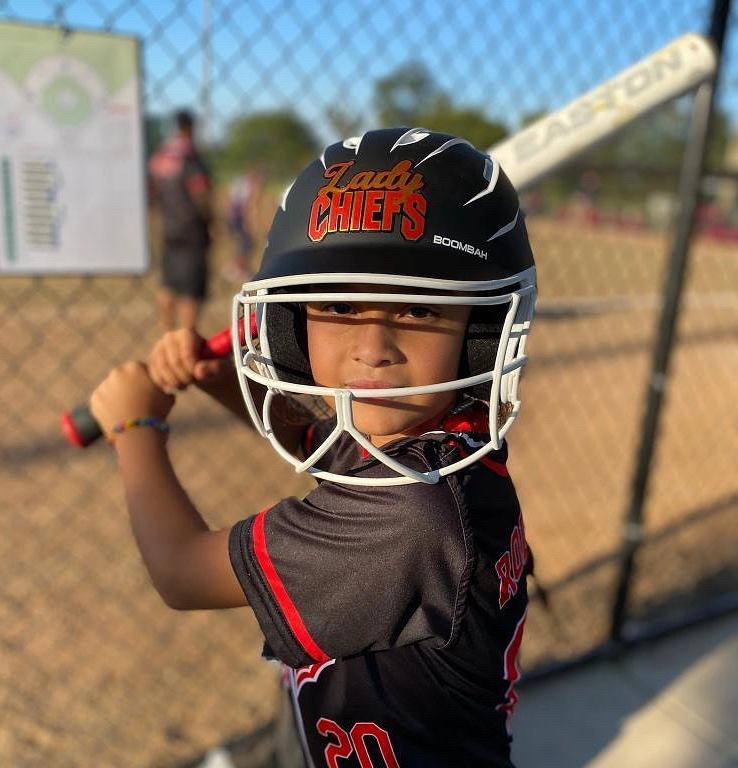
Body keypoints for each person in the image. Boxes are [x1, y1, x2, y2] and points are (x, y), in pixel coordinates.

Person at [90, 127, 537, 767]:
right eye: (338, 303)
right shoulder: (433, 446)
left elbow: (182, 572)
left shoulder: (409, 518)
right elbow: (327, 442)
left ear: (482, 334)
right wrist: (215, 376)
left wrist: (134, 431)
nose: (372, 346)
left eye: (417, 309)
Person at [148, 109, 213, 331]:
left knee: (169, 284)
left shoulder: (160, 156)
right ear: (190, 127)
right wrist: (211, 222)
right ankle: (186, 337)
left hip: (170, 229)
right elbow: (200, 192)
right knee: (191, 291)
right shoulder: (190, 156)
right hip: (192, 231)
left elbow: (153, 191)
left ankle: (167, 334)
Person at [222, 165, 265, 284]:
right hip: (240, 218)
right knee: (247, 244)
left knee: (242, 244)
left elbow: (228, 202)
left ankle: (237, 269)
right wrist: (251, 223)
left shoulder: (239, 182)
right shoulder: (253, 185)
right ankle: (236, 269)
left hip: (232, 217)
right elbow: (250, 206)